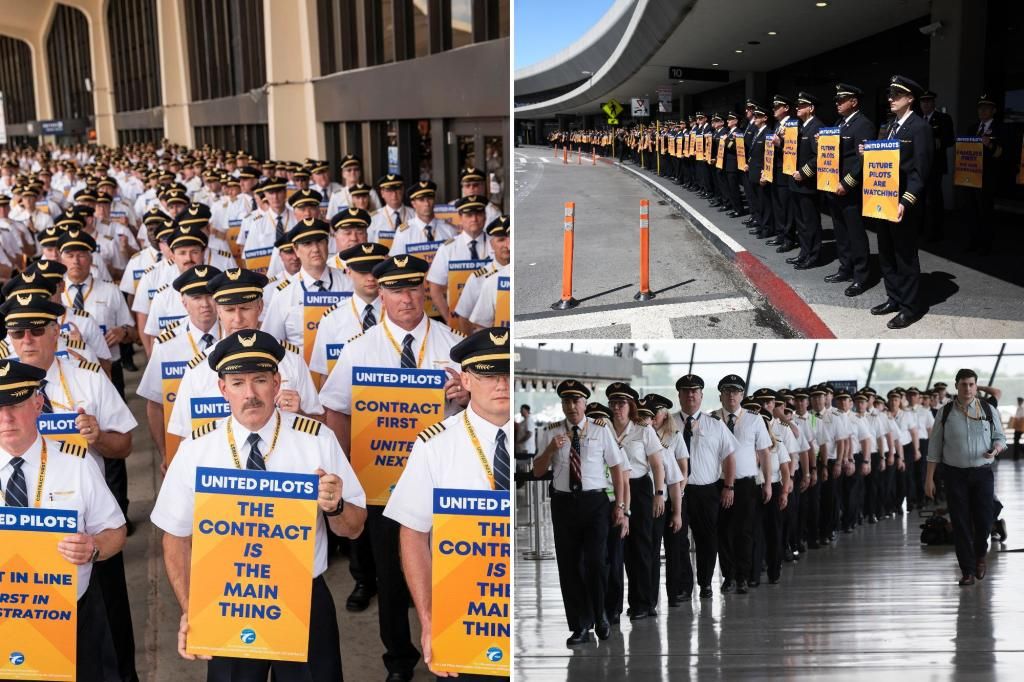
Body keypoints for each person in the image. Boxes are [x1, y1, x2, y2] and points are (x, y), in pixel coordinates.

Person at [150, 329, 367, 680]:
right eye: (237, 382)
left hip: (303, 599)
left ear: (277, 382)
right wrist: (192, 610)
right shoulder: (196, 449)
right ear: (223, 389)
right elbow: (175, 537)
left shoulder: (316, 440)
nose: (250, 394)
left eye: (260, 380)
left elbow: (354, 528)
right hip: (227, 599)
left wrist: (336, 506)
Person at [317, 254, 468, 679]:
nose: (406, 298)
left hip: (444, 484)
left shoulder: (451, 344)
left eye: (413, 287)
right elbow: (337, 411)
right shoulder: (359, 350)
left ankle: (451, 650)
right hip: (382, 484)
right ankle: (399, 660)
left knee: (446, 570)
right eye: (395, 289)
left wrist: (466, 394)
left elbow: (483, 412)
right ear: (379, 293)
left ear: (424, 290)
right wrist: (346, 476)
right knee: (390, 574)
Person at [384, 327, 511, 680]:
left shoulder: (533, 439)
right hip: (464, 612)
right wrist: (428, 621)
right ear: (466, 380)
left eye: (507, 373)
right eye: (489, 375)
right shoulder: (434, 444)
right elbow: (413, 535)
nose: (501, 383)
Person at [0, 359, 126, 681]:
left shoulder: (77, 464)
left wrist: (93, 547)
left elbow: (116, 531)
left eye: (15, 403)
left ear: (38, 403)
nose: (5, 417)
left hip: (71, 619)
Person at [533, 380, 625, 645]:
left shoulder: (601, 429)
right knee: (570, 565)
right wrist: (551, 449)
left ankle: (602, 616)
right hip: (564, 504)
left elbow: (617, 469)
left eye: (576, 401)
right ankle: (580, 625)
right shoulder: (550, 432)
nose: (571, 406)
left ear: (585, 404)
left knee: (597, 562)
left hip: (595, 503)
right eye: (566, 401)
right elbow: (538, 471)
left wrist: (619, 506)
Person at [925, 369, 1006, 586]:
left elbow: (1000, 438)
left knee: (983, 520)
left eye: (971, 384)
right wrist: (929, 478)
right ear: (956, 386)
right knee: (960, 522)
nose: (967, 388)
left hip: (982, 474)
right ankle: (967, 570)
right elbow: (934, 447)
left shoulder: (988, 409)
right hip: (954, 474)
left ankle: (980, 555)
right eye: (963, 384)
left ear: (976, 386)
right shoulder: (946, 412)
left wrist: (995, 450)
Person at [866, 75, 933, 329]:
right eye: (890, 94)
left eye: (897, 95)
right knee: (886, 252)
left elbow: (921, 171)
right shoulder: (891, 125)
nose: (891, 98)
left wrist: (907, 200)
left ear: (910, 99)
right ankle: (893, 297)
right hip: (883, 200)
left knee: (905, 256)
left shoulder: (920, 127)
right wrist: (868, 151)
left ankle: (910, 306)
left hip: (903, 203)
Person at [605, 382, 665, 620]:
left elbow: (657, 464)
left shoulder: (643, 430)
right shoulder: (603, 428)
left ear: (630, 406)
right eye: (613, 403)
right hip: (611, 491)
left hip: (639, 489)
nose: (617, 408)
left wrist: (659, 494)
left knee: (641, 547)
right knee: (617, 548)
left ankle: (643, 602)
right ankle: (614, 606)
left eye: (622, 404)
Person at [673, 374, 737, 599]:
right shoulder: (668, 424)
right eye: (685, 391)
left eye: (694, 391)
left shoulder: (715, 425)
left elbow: (729, 456)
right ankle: (684, 585)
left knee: (707, 540)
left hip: (707, 490)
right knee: (678, 538)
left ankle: (705, 583)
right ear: (679, 395)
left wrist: (728, 486)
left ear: (701, 396)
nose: (690, 395)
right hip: (678, 492)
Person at [712, 375, 772, 594]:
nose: (731, 396)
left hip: (746, 484)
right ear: (720, 395)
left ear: (742, 396)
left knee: (744, 532)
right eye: (727, 392)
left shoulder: (754, 419)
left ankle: (743, 577)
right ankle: (728, 575)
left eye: (735, 392)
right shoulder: (712, 419)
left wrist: (766, 482)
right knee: (723, 531)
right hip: (719, 483)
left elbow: (765, 453)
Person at [825, 83, 876, 296]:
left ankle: (861, 276)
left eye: (841, 100)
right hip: (834, 187)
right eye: (836, 100)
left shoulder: (863, 124)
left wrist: (847, 183)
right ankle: (845, 268)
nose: (837, 103)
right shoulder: (840, 123)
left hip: (849, 189)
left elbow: (862, 161)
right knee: (840, 231)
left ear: (853, 102)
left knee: (855, 233)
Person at [962, 94, 1005, 254]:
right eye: (980, 108)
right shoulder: (972, 128)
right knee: (971, 210)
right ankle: (973, 241)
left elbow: (1002, 154)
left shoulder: (1001, 128)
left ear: (993, 110)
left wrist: (990, 145)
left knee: (985, 211)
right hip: (970, 177)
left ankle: (986, 244)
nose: (982, 111)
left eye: (986, 108)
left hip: (988, 177)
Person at [788, 92, 824, 269]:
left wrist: (804, 172)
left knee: (810, 222)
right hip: (796, 182)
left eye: (801, 105)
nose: (797, 108)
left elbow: (820, 156)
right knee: (801, 221)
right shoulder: (801, 127)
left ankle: (813, 255)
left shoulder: (817, 127)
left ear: (811, 108)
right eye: (797, 105)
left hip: (808, 183)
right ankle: (804, 251)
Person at [918, 90, 955, 240]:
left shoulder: (943, 118)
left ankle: (936, 232)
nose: (925, 104)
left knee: (935, 201)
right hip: (919, 166)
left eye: (928, 101)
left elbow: (950, 140)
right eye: (923, 102)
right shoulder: (917, 119)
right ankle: (919, 230)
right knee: (918, 200)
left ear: (933, 103)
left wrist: (938, 142)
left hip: (934, 166)